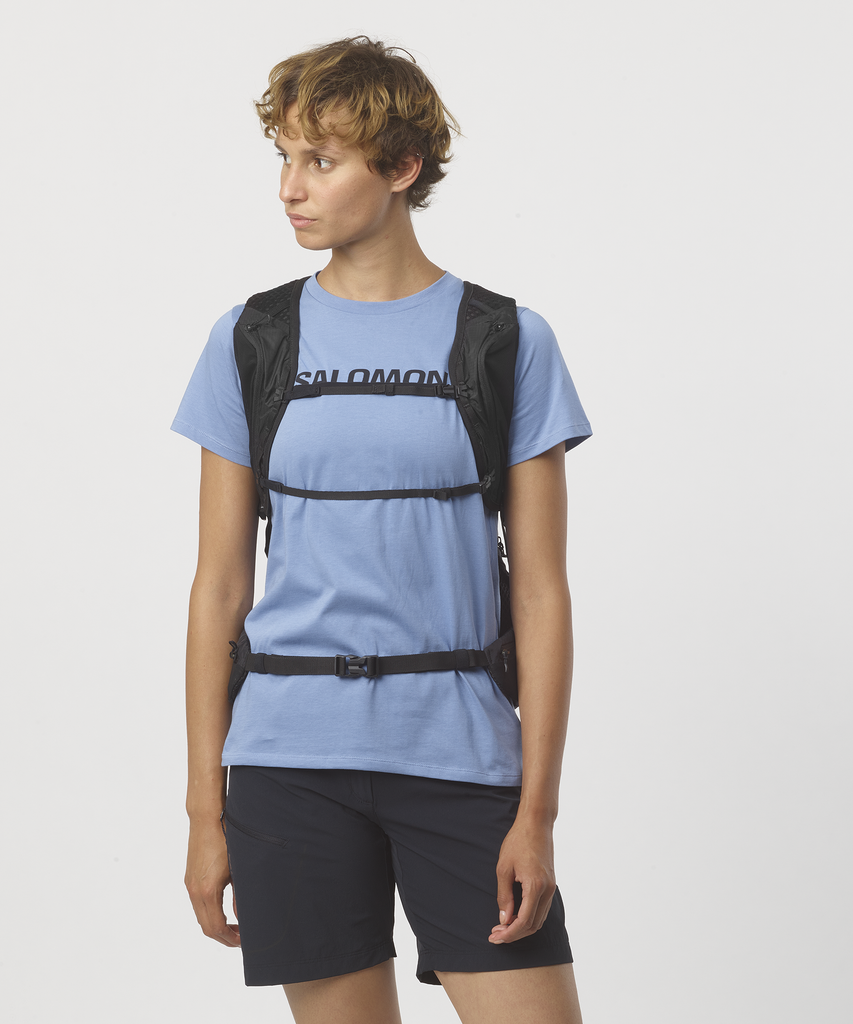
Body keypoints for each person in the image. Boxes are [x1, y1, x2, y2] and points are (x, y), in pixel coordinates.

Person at [174, 36, 591, 1024]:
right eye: (285, 156)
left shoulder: (506, 340)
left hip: (459, 756)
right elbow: (219, 589)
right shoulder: (250, 340)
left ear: (402, 167)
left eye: (320, 160)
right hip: (286, 766)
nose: (290, 187)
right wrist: (204, 811)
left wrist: (536, 812)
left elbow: (540, 590)